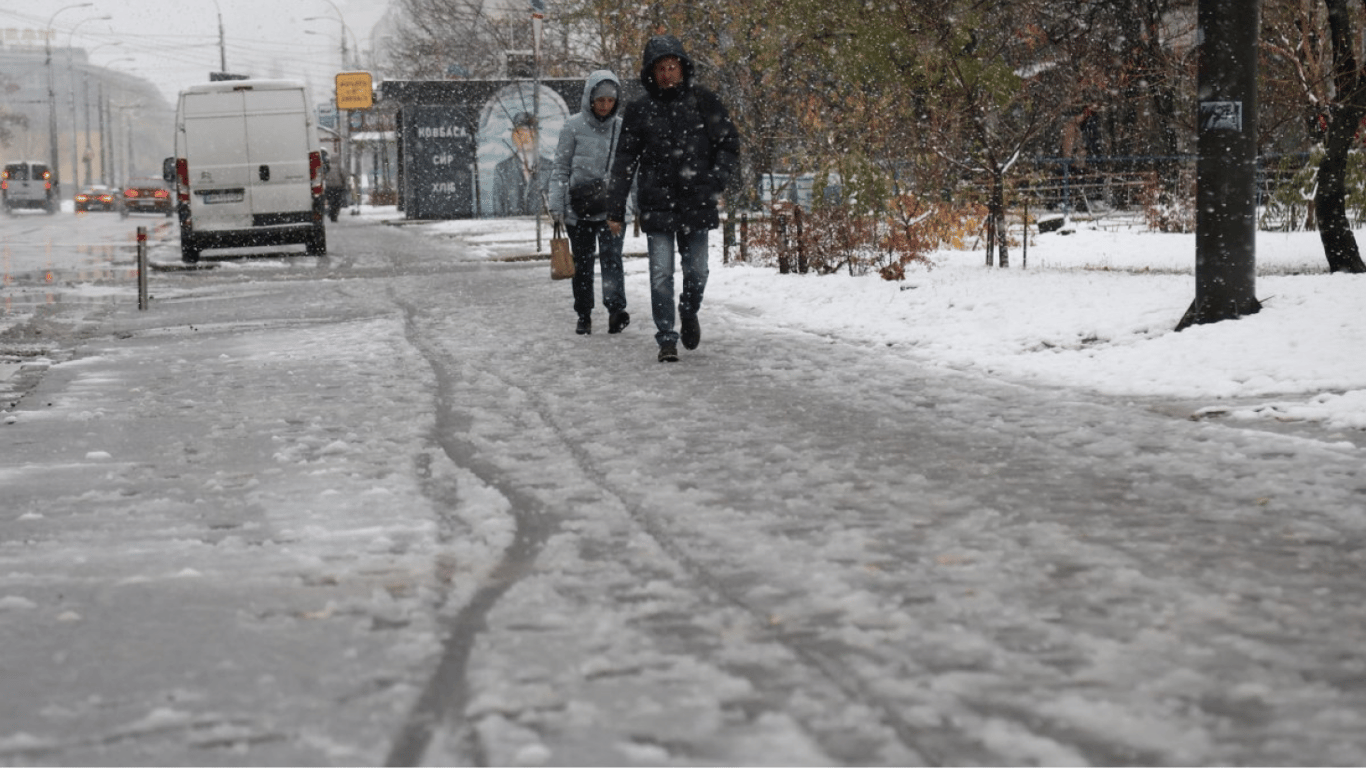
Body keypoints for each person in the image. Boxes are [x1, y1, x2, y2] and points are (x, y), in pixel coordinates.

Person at [608, 35, 740, 362]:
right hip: (657, 203)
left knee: (698, 271)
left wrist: (715, 180)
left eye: (672, 66)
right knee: (660, 274)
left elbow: (728, 145)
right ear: (651, 73)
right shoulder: (639, 110)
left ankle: (689, 308)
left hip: (697, 200)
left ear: (682, 68)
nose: (667, 73)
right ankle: (666, 335)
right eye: (660, 68)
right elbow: (625, 161)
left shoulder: (704, 102)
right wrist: (614, 208)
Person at [549, 71, 629, 336]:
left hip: (611, 209)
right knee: (582, 265)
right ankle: (584, 314)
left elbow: (629, 169)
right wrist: (557, 206)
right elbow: (560, 168)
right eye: (600, 99)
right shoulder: (572, 127)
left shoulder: (621, 127)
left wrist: (632, 204)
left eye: (610, 100)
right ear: (590, 99)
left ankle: (616, 311)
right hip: (578, 210)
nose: (605, 105)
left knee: (612, 261)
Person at [493, 111, 553, 216]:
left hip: (543, 228)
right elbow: (498, 210)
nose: (526, 136)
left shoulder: (550, 168)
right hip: (512, 230)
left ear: (536, 135)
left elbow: (557, 207)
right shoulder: (502, 170)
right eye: (520, 132)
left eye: (530, 131)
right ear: (514, 136)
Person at [323, 150, 347, 222]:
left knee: (330, 201)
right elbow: (343, 176)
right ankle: (334, 215)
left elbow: (324, 176)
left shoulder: (327, 166)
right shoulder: (339, 167)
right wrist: (344, 183)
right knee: (337, 202)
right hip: (338, 187)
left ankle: (331, 212)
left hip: (329, 187)